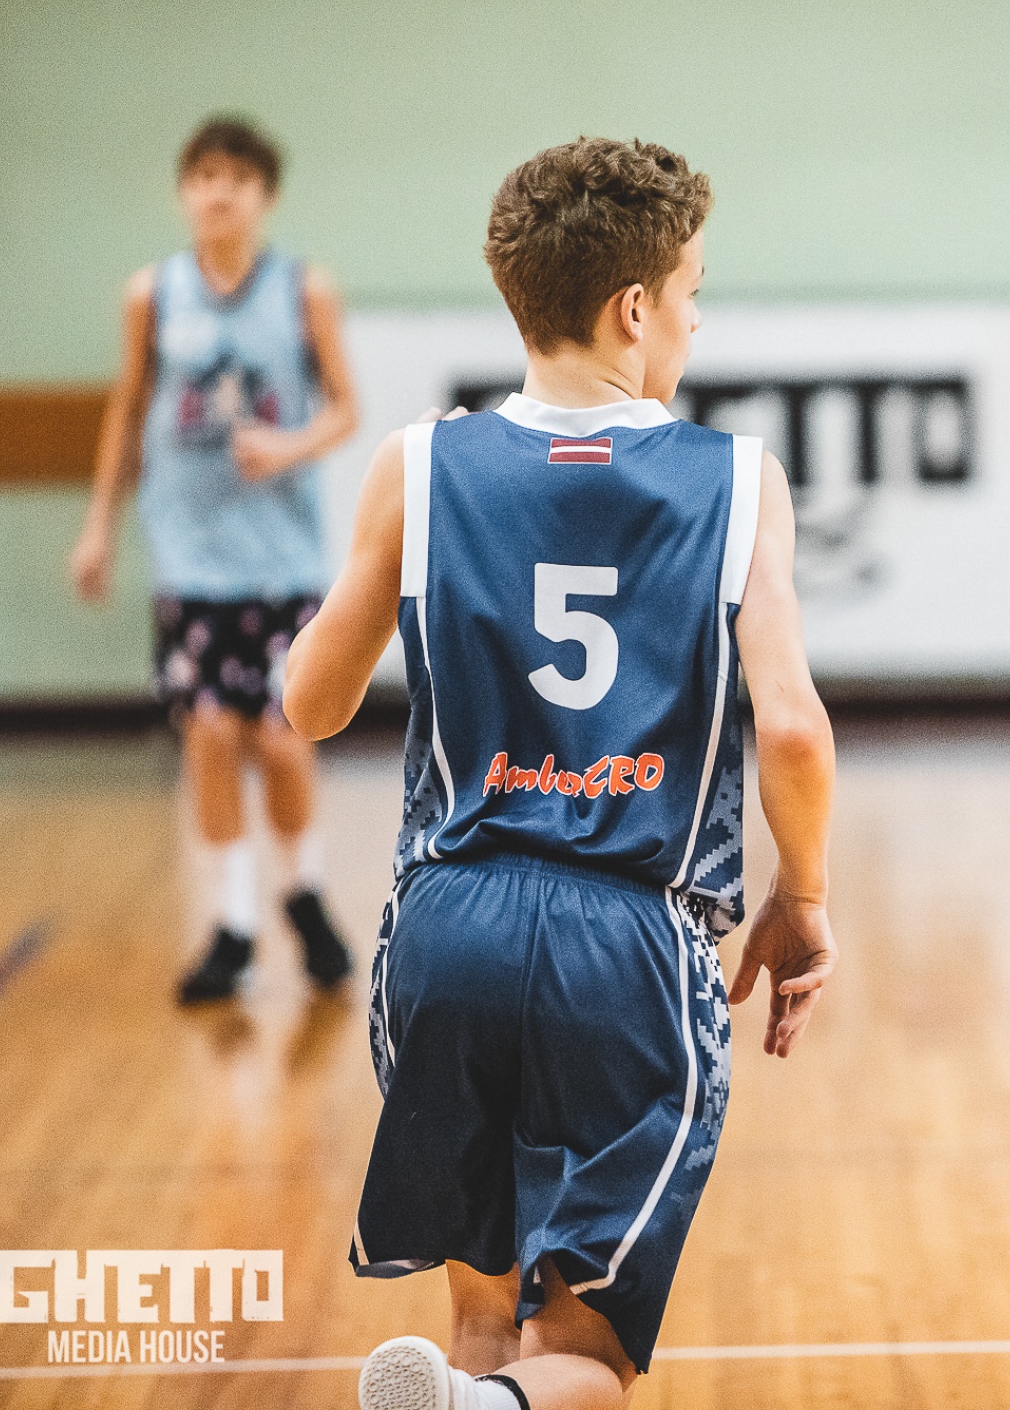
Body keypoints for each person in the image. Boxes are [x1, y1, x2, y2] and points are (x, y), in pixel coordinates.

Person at [283, 136, 839, 1410]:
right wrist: (803, 894)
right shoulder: (736, 481)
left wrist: (376, 555)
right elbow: (795, 732)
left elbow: (311, 704)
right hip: (627, 944)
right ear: (634, 308)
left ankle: (470, 1395)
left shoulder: (419, 465)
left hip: (449, 929)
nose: (695, 320)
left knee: (484, 1314)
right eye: (691, 292)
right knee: (583, 1352)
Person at [69, 115, 360, 1004]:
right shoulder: (152, 295)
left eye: (236, 177)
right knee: (208, 735)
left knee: (281, 738)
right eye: (202, 177)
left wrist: (291, 445)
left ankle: (302, 892)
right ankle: (233, 923)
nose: (217, 192)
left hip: (281, 558)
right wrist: (98, 525)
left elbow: (345, 408)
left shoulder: (302, 290)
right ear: (183, 192)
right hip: (190, 557)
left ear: (265, 195)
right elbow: (128, 408)